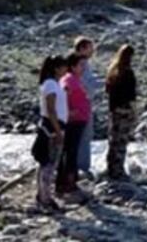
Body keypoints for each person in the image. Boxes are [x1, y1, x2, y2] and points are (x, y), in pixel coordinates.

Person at [57, 54, 90, 201]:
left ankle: (69, 181)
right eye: (81, 65)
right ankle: (67, 183)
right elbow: (63, 92)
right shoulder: (69, 79)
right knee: (70, 151)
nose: (83, 68)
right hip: (74, 121)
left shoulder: (75, 79)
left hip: (79, 120)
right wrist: (67, 111)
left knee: (71, 150)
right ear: (73, 66)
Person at [36, 55, 68, 211]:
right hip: (52, 128)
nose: (66, 70)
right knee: (49, 163)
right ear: (56, 68)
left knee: (46, 162)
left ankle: (42, 194)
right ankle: (45, 198)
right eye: (63, 67)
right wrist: (58, 131)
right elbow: (51, 109)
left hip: (53, 126)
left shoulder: (54, 84)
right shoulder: (50, 84)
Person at [104, 44, 137, 180]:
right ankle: (118, 171)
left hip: (114, 110)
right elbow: (131, 95)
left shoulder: (112, 71)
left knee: (113, 140)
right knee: (122, 141)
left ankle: (111, 168)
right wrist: (134, 112)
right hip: (124, 110)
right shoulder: (128, 73)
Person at [73, 36, 100, 180]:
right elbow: (83, 85)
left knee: (83, 137)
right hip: (80, 106)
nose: (93, 50)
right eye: (90, 47)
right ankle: (81, 168)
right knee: (83, 137)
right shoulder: (79, 64)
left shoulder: (82, 63)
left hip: (82, 105)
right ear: (82, 48)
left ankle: (80, 167)